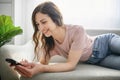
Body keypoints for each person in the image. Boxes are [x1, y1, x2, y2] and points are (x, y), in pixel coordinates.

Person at [14, 1, 120, 78]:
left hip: (106, 42)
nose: (40, 28)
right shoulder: (49, 43)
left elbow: (71, 65)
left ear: (55, 18)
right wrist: (29, 65)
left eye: (44, 22)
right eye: (37, 24)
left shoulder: (77, 30)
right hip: (97, 60)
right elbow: (42, 64)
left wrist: (41, 68)